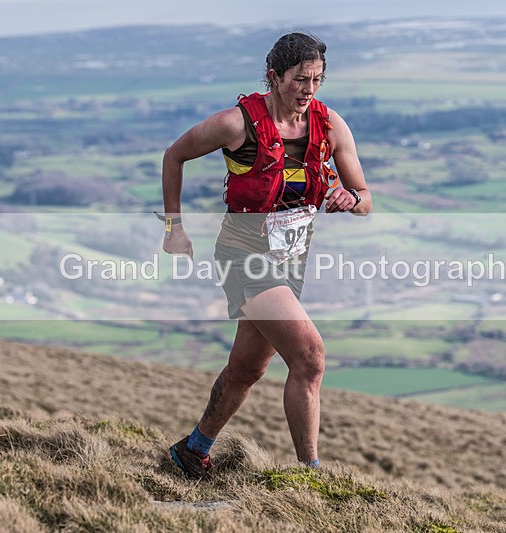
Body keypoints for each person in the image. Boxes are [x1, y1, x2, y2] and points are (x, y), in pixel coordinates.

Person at [160, 32, 371, 479]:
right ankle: (310, 475)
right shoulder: (236, 125)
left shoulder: (330, 125)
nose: (309, 90)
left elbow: (365, 197)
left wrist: (350, 201)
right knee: (310, 356)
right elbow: (174, 156)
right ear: (274, 77)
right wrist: (174, 228)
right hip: (243, 256)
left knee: (246, 370)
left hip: (291, 261)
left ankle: (192, 449)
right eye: (300, 80)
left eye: (317, 79)